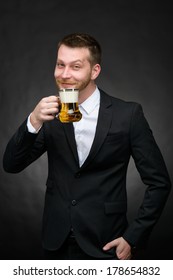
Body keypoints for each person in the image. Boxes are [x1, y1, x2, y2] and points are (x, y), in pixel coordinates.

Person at [3, 33, 171, 260]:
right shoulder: (49, 115)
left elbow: (159, 183)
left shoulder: (128, 115)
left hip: (107, 243)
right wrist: (33, 121)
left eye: (75, 66)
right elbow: (11, 165)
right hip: (56, 244)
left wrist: (133, 237)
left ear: (95, 71)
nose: (64, 74)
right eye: (60, 64)